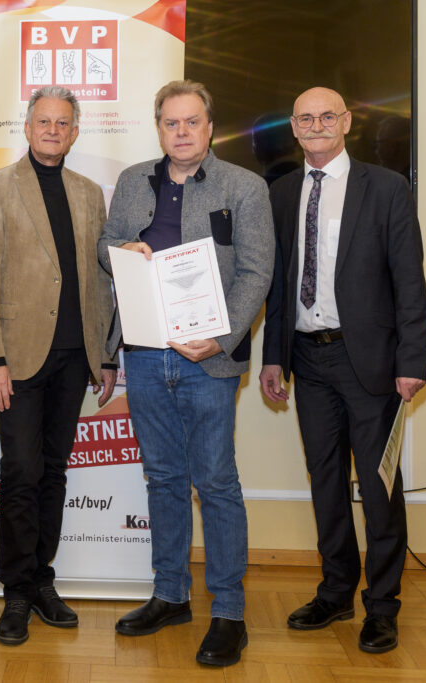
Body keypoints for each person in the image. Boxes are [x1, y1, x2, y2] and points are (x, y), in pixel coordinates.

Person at [98, 79, 274, 667]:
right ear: (159, 128)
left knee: (216, 483)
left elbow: (256, 272)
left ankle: (228, 611)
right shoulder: (131, 182)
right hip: (145, 354)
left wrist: (220, 339)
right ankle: (170, 595)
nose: (181, 132)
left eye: (191, 122)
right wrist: (126, 248)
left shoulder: (243, 187)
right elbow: (104, 247)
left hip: (210, 359)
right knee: (164, 479)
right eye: (171, 123)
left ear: (210, 126)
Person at [260, 87, 426, 654]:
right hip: (308, 360)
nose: (316, 125)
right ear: (293, 127)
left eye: (326, 116)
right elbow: (279, 283)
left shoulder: (386, 189)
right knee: (325, 482)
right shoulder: (282, 192)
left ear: (347, 122)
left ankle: (382, 607)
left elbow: (409, 283)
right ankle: (335, 592)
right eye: (305, 118)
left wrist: (412, 362)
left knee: (379, 490)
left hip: (373, 366)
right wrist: (274, 357)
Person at [0, 85, 117, 646]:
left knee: (54, 472)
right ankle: (15, 592)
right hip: (18, 359)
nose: (53, 130)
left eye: (63, 123)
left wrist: (103, 354)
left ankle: (42, 582)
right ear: (26, 128)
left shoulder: (88, 194)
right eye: (43, 121)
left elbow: (97, 283)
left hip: (74, 358)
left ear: (75, 133)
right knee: (22, 472)